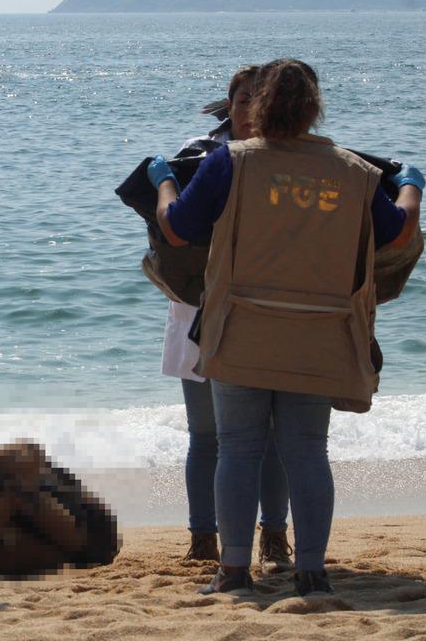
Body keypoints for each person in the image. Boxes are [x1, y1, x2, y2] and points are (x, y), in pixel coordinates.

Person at [147, 59, 424, 597]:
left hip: (242, 327)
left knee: (238, 447)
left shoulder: (231, 161)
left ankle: (231, 571)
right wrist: (411, 186)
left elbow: (177, 231)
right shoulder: (354, 172)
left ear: (259, 105)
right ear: (314, 107)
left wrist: (162, 184)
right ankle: (312, 571)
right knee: (306, 450)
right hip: (320, 332)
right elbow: (398, 234)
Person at [163, 65, 292, 571]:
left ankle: (275, 537)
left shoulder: (294, 161)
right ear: (229, 103)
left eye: (258, 102)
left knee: (275, 435)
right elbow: (171, 232)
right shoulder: (199, 155)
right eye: (240, 100)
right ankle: (202, 537)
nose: (248, 111)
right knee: (207, 433)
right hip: (199, 307)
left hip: (268, 308)